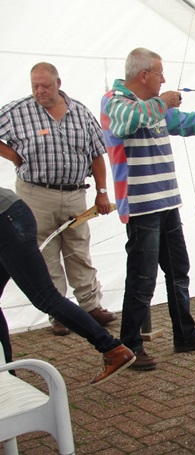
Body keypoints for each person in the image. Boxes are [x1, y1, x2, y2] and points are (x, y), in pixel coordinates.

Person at [100, 47, 195, 371]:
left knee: (178, 271)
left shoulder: (154, 108)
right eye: (159, 73)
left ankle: (184, 333)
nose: (164, 79)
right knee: (141, 279)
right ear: (144, 75)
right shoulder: (115, 101)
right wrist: (163, 101)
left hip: (167, 202)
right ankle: (127, 347)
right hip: (142, 207)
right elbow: (127, 122)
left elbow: (189, 124)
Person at [0, 62, 117, 337]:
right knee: (46, 251)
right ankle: (60, 313)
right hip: (35, 193)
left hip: (76, 192)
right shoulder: (17, 111)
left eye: (45, 86)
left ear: (58, 83)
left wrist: (102, 191)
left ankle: (90, 306)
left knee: (79, 249)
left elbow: (97, 154)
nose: (40, 91)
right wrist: (14, 156)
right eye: (35, 86)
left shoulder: (80, 112)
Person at [0, 186, 135, 384]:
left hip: (6, 220)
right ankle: (6, 372)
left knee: (44, 296)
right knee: (44, 296)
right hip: (11, 213)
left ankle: (112, 348)